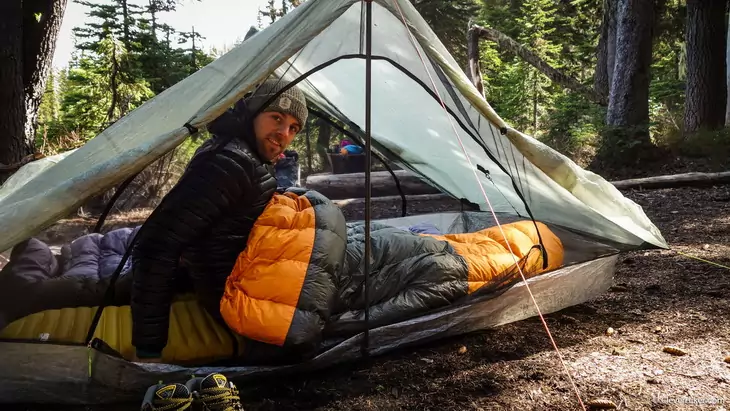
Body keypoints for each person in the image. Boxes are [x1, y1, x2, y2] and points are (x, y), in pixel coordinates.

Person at [129, 78, 308, 364]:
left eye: (293, 128)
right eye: (276, 118)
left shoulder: (243, 154)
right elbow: (155, 247)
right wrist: (149, 352)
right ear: (252, 111)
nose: (283, 134)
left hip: (248, 275)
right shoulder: (228, 162)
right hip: (236, 296)